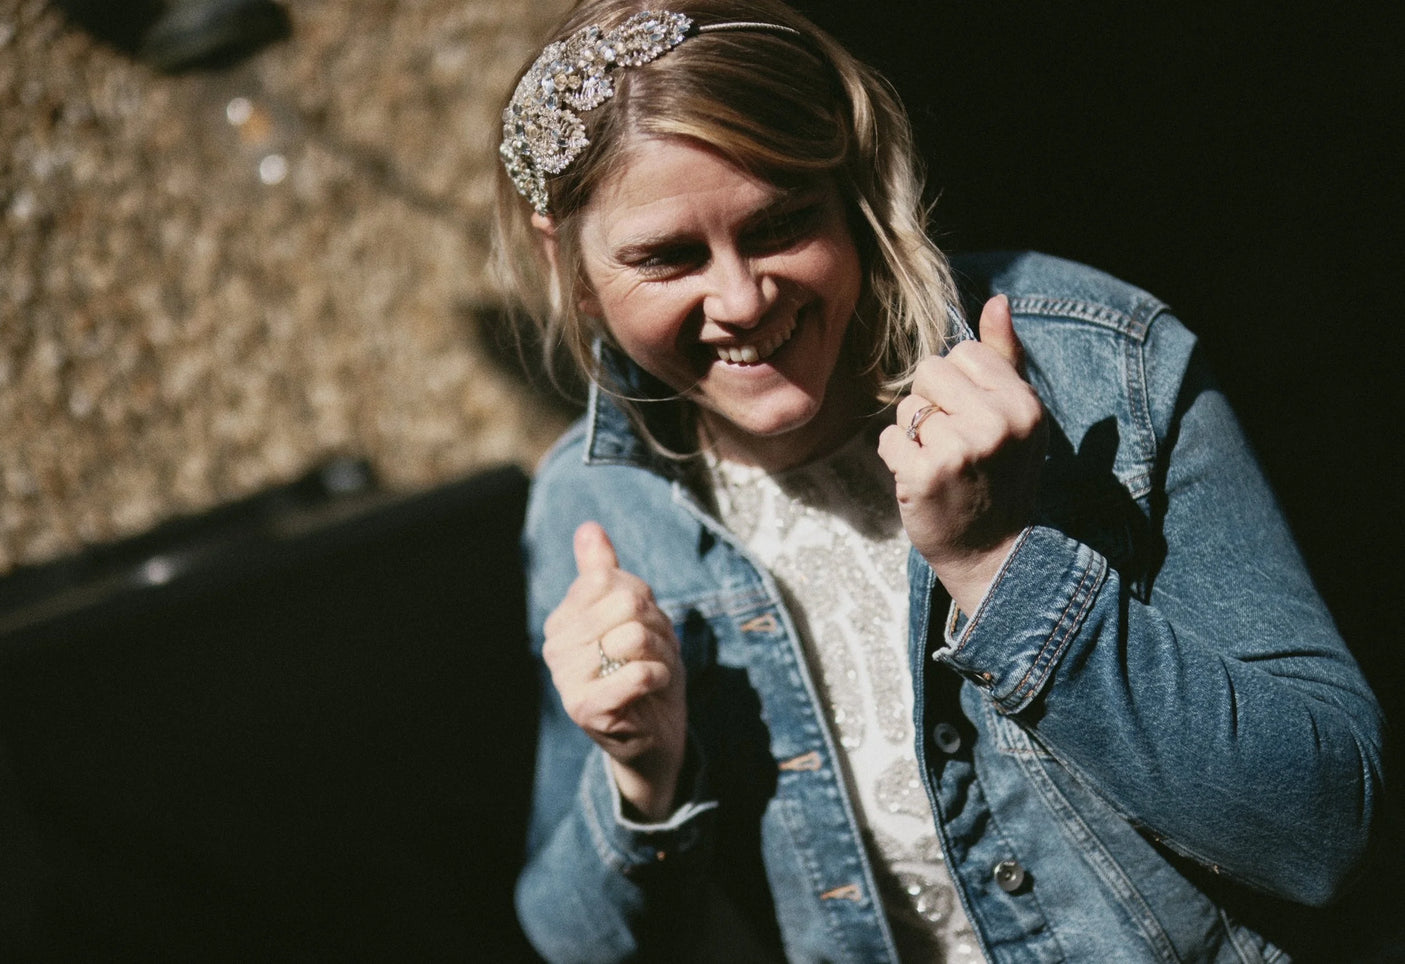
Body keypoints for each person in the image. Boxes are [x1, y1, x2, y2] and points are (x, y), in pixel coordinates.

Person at [491, 1, 1386, 960]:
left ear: (854, 192)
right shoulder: (592, 505)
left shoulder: (1097, 365)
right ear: (569, 264)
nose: (742, 300)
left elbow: (1325, 828)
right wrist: (638, 778)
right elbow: (578, 943)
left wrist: (1000, 563)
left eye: (782, 223)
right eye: (667, 257)